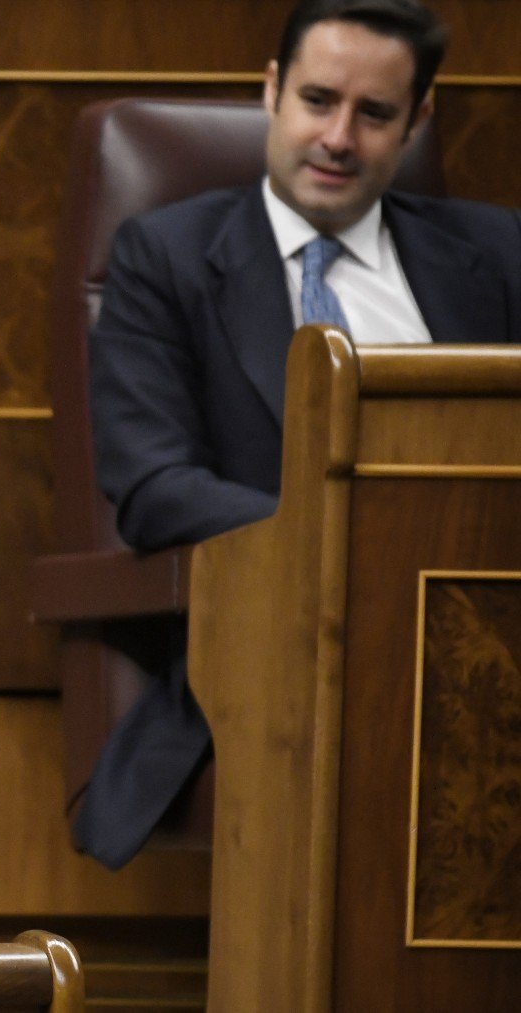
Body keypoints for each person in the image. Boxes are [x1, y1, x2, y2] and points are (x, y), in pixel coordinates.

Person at [81, 0, 521, 869]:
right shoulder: (165, 257)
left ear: (418, 120)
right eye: (319, 100)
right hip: (284, 647)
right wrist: (373, 537)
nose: (339, 137)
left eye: (375, 113)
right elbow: (154, 484)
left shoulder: (497, 253)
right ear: (273, 91)